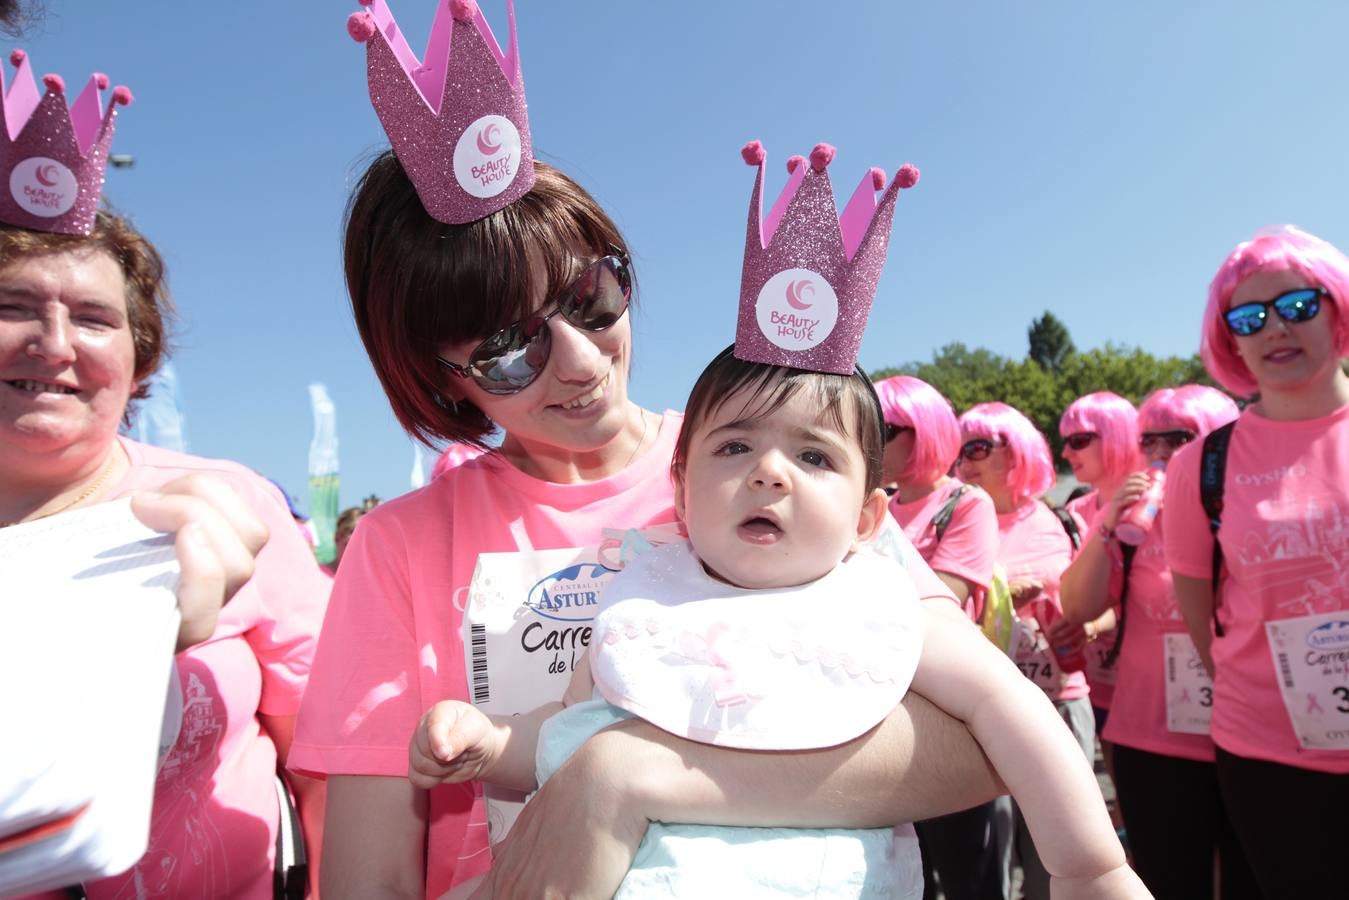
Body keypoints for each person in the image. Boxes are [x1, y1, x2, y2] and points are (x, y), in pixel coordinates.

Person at [413, 347, 1139, 899]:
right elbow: (571, 732)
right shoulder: (643, 602)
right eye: (733, 447)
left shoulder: (873, 602)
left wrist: (1090, 864)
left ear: (866, 517)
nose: (769, 472)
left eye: (813, 455)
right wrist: (492, 741)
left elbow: (1006, 702)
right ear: (681, 490)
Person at [1163, 226, 1349, 898]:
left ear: (1337, 308)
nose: (1274, 328)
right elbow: (1200, 616)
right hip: (1268, 755)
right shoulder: (1198, 465)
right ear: (1231, 342)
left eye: (1297, 306)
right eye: (1248, 318)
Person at [1060, 385, 1251, 900]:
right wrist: (1106, 524)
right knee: (1168, 879)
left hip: (1252, 733)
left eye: (1180, 439)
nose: (1163, 455)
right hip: (1151, 737)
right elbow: (1077, 608)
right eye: (1151, 442)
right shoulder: (1136, 523)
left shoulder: (1252, 509)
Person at [875, 374, 1007, 900]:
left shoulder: (968, 503)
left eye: (884, 428)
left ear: (924, 430)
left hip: (952, 715)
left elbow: (939, 600)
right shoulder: (869, 500)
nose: (869, 438)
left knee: (970, 877)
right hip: (883, 708)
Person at [957, 401, 1093, 900]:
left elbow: (1098, 599)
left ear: (1015, 452)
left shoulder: (1060, 518)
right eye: (958, 448)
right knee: (991, 848)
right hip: (983, 707)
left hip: (1058, 695)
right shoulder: (959, 517)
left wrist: (1088, 626)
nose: (963, 459)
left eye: (977, 447)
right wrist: (1001, 596)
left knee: (1060, 853)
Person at [1058, 392, 1140, 735]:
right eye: (1065, 442)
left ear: (1118, 435)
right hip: (1092, 674)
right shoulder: (1076, 511)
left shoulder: (1149, 501)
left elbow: (1138, 593)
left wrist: (1091, 626)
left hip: (1144, 672)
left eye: (1078, 441)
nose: (1065, 453)